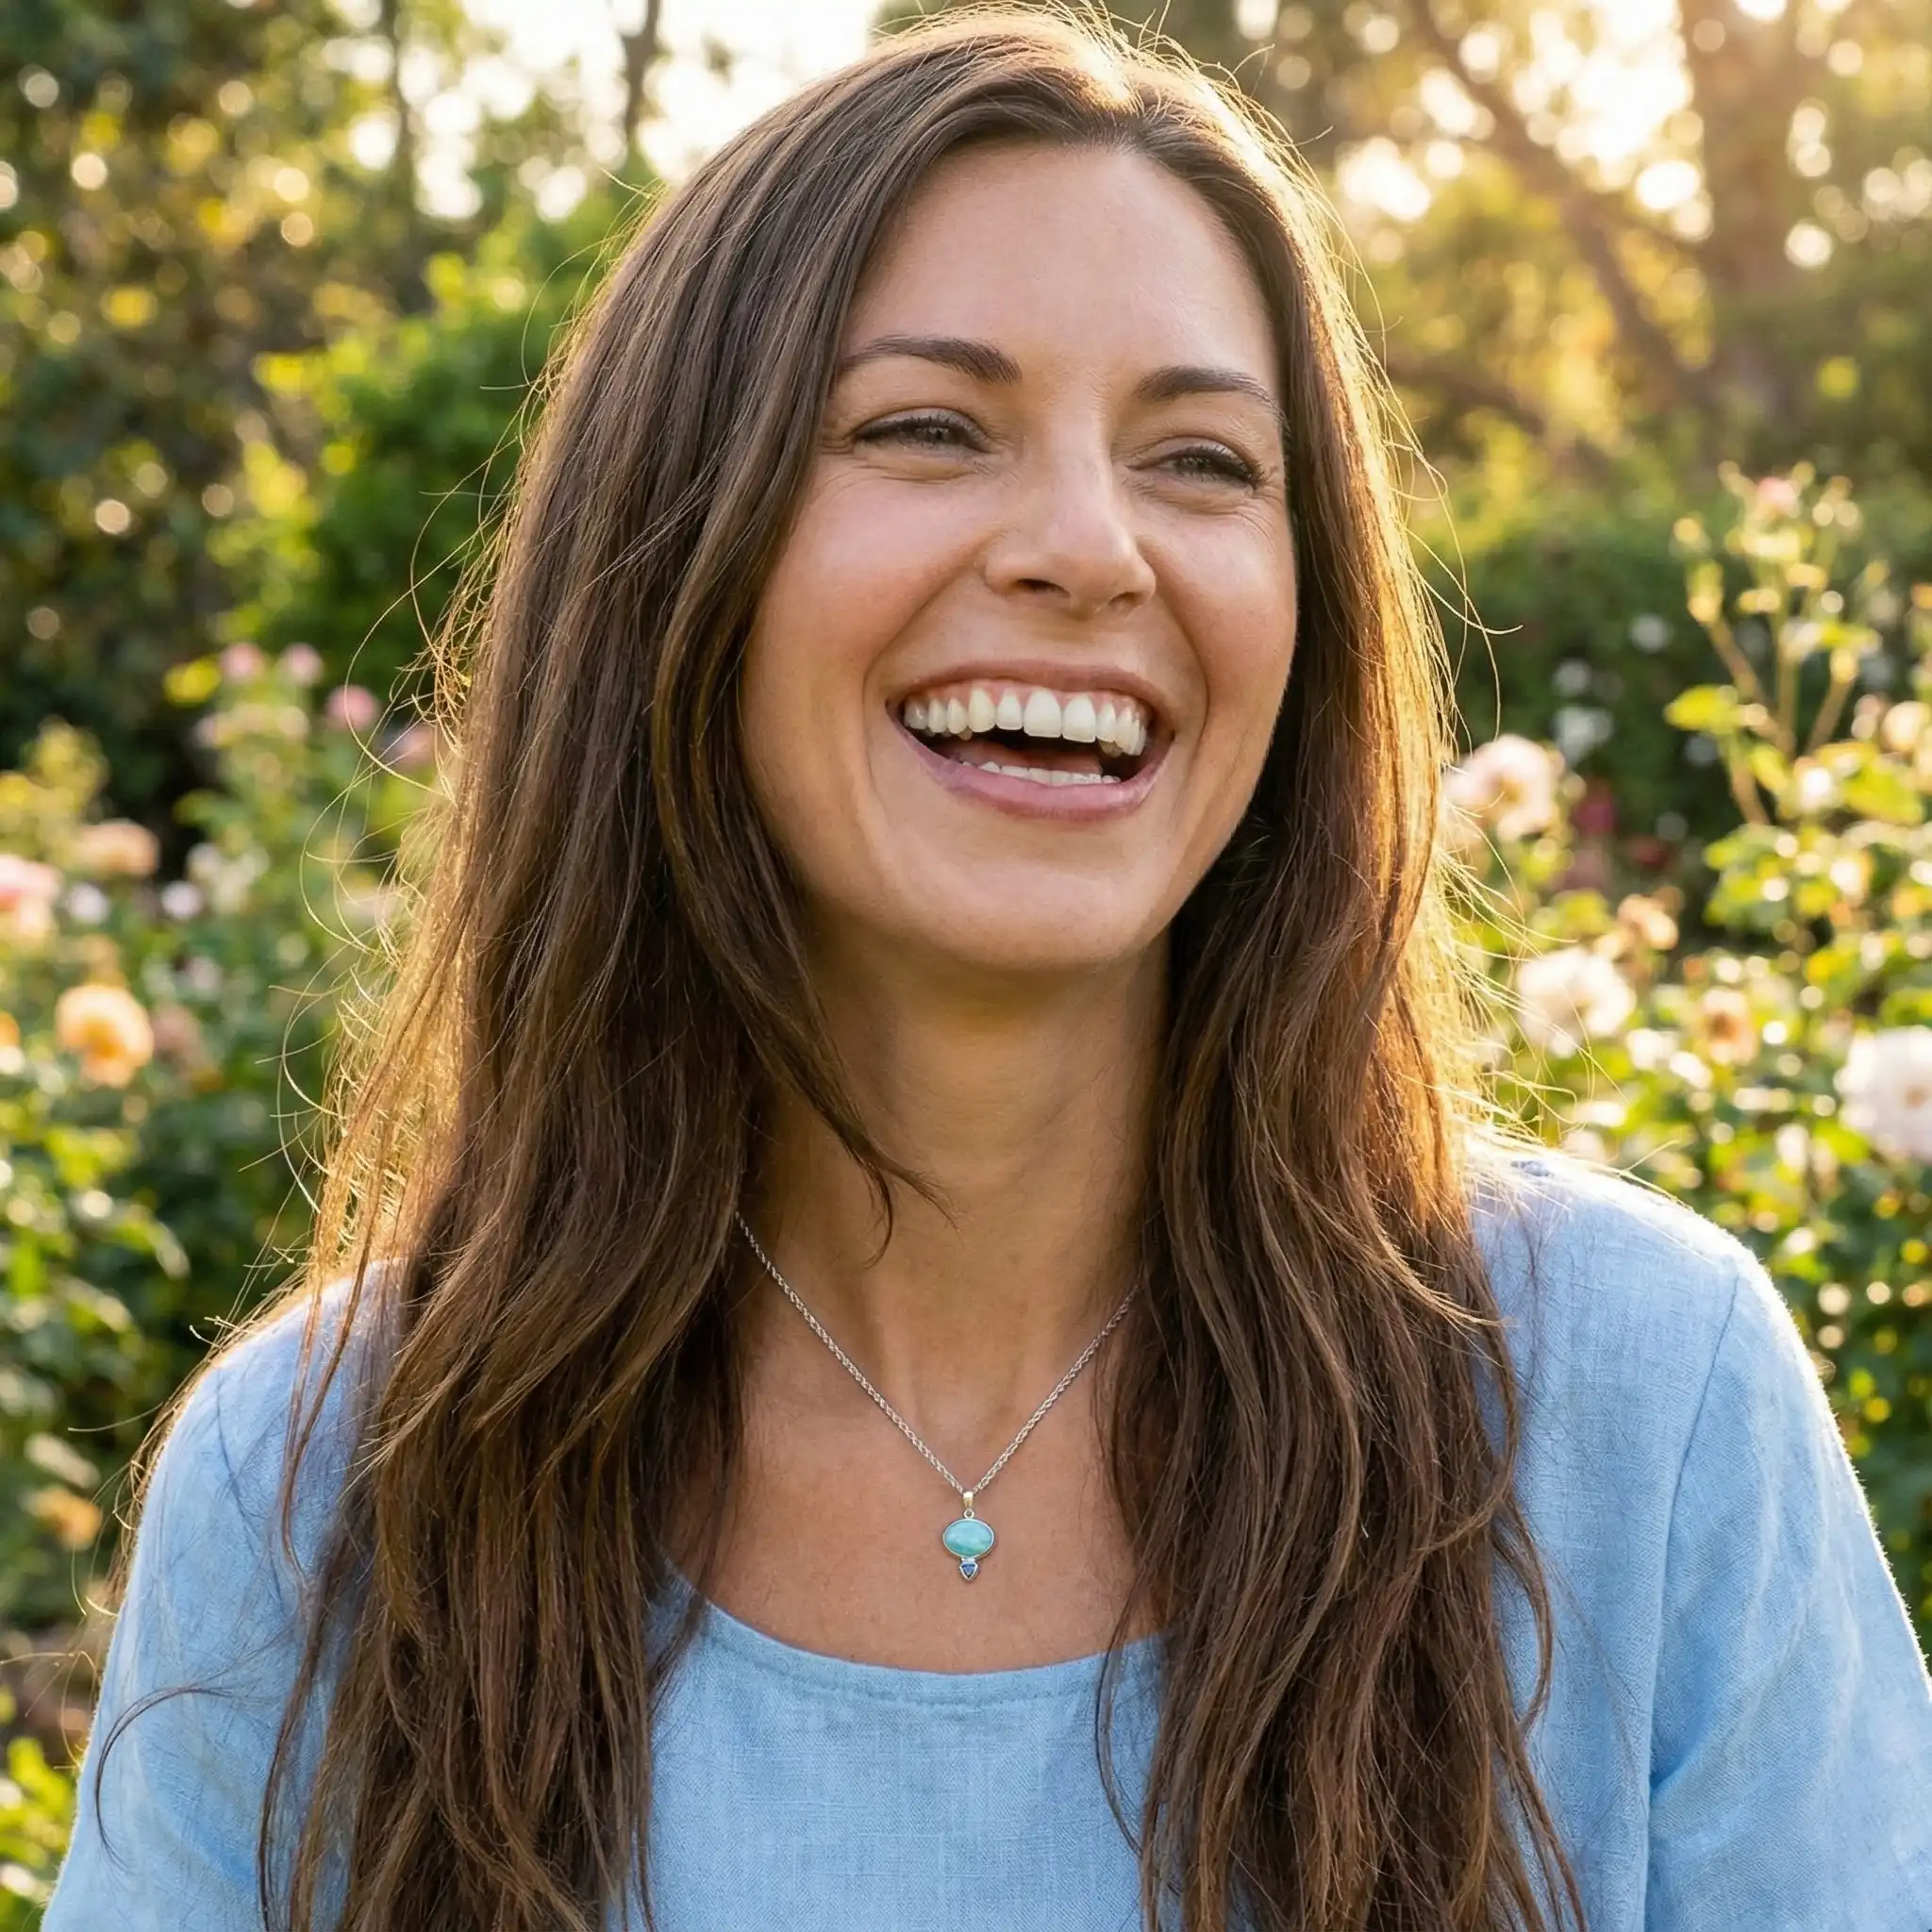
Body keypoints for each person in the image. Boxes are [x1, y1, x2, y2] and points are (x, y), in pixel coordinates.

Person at [42, 11, 1932, 1930]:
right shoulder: (322, 1492)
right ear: (671, 558)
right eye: (928, 427)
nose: (1087, 548)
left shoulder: (1646, 1407)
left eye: (1200, 459)